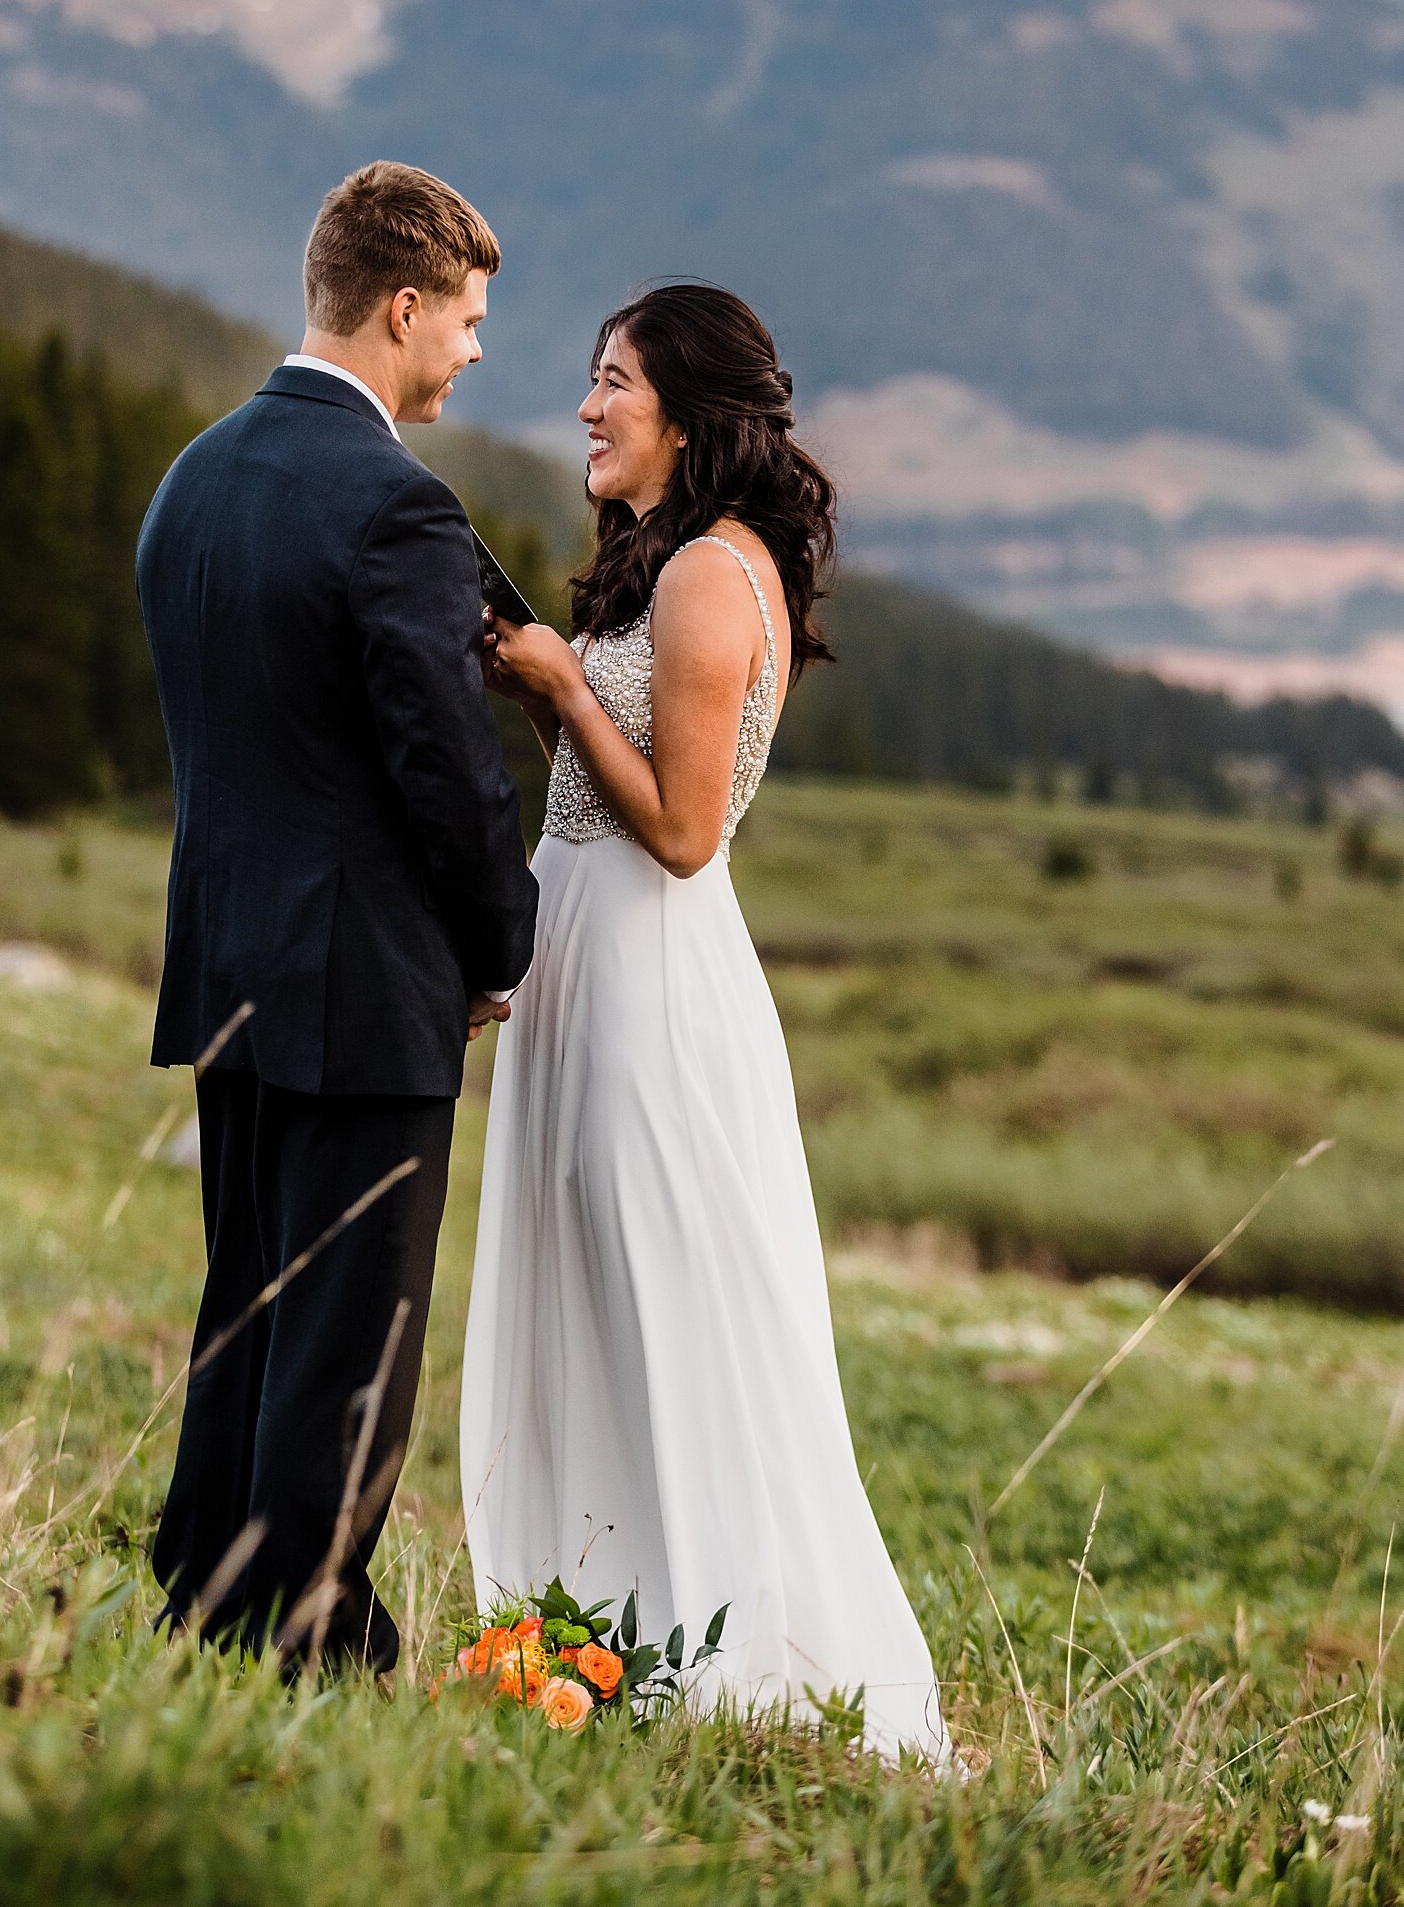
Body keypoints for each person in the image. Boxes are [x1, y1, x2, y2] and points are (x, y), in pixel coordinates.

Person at [463, 283, 944, 1759]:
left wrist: (551, 673)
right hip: (590, 958)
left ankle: (715, 1654)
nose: (590, 407)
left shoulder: (709, 579)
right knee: (594, 1301)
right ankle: (596, 1638)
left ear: (687, 410)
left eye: (614, 382)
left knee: (665, 1307)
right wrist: (552, 691)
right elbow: (614, 781)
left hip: (648, 979)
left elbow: (679, 830)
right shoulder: (670, 566)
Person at [138, 160, 538, 1673]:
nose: (479, 351)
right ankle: (309, 1632)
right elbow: (449, 773)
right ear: (404, 305)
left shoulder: (196, 474)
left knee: (244, 1300)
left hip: (229, 967)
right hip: (365, 987)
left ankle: (206, 1589)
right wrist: (500, 943)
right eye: (472, 319)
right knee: (350, 1336)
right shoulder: (396, 510)